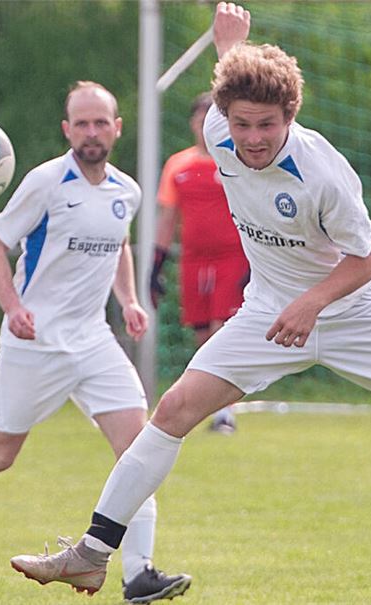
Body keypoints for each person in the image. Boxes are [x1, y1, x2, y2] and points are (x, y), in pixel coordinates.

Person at [9, 2, 371, 595]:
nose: (253, 138)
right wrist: (230, 46)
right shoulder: (220, 131)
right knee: (174, 410)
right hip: (267, 312)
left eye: (267, 125)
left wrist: (313, 301)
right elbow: (233, 88)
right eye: (242, 125)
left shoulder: (324, 172)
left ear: (290, 116)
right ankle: (92, 552)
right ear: (223, 119)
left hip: (351, 311)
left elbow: (368, 257)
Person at [0, 81, 191, 604]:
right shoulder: (45, 182)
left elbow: (121, 247)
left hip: (94, 342)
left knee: (141, 449)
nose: (90, 132)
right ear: (67, 130)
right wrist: (14, 309)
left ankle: (138, 575)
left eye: (100, 122)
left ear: (116, 128)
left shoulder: (125, 192)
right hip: (34, 343)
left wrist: (127, 299)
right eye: (80, 123)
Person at [150, 92, 250, 434]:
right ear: (194, 123)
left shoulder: (235, 161)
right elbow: (167, 217)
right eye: (200, 117)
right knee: (202, 333)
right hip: (193, 260)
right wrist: (156, 263)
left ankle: (226, 413)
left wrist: (255, 262)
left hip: (231, 257)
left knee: (223, 328)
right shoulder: (178, 165)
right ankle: (211, 405)